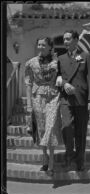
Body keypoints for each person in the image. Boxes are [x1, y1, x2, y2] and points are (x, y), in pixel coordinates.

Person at [58, 30, 90, 171]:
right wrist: (64, 83)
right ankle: (69, 156)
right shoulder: (60, 58)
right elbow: (56, 77)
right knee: (66, 127)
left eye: (68, 39)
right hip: (66, 99)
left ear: (76, 40)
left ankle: (79, 160)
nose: (65, 42)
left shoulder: (85, 56)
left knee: (81, 131)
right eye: (64, 39)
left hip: (82, 98)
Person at [24, 37, 62, 175]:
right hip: (37, 97)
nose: (40, 46)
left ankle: (51, 161)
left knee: (50, 127)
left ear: (50, 47)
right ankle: (45, 158)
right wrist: (29, 105)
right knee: (41, 129)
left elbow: (65, 73)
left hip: (53, 96)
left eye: (43, 45)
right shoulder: (30, 63)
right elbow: (28, 84)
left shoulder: (57, 61)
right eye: (38, 44)